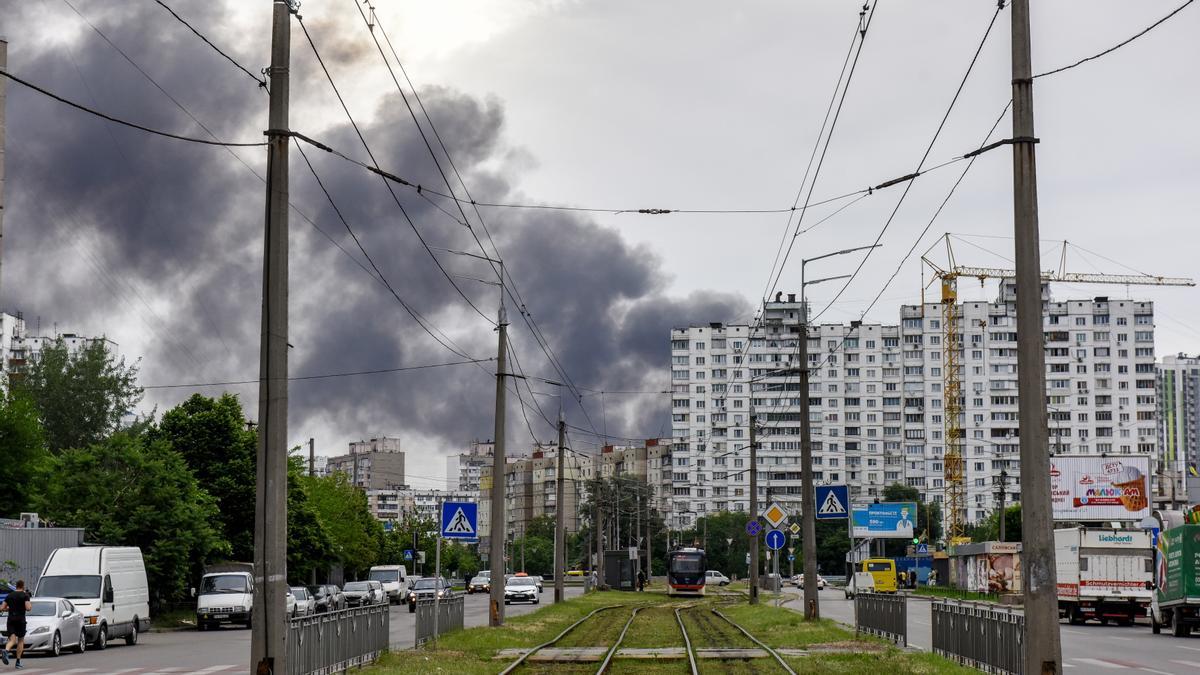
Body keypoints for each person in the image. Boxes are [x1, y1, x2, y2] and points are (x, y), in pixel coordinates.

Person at [0, 579, 32, 669]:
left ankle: (6, 651)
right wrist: (29, 605)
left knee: (12, 640)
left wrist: (8, 608)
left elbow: (2, 608)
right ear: (23, 586)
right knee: (20, 640)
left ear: (16, 586)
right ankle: (18, 662)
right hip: (20, 620)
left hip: (11, 620)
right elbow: (28, 608)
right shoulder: (25, 595)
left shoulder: (9, 595)